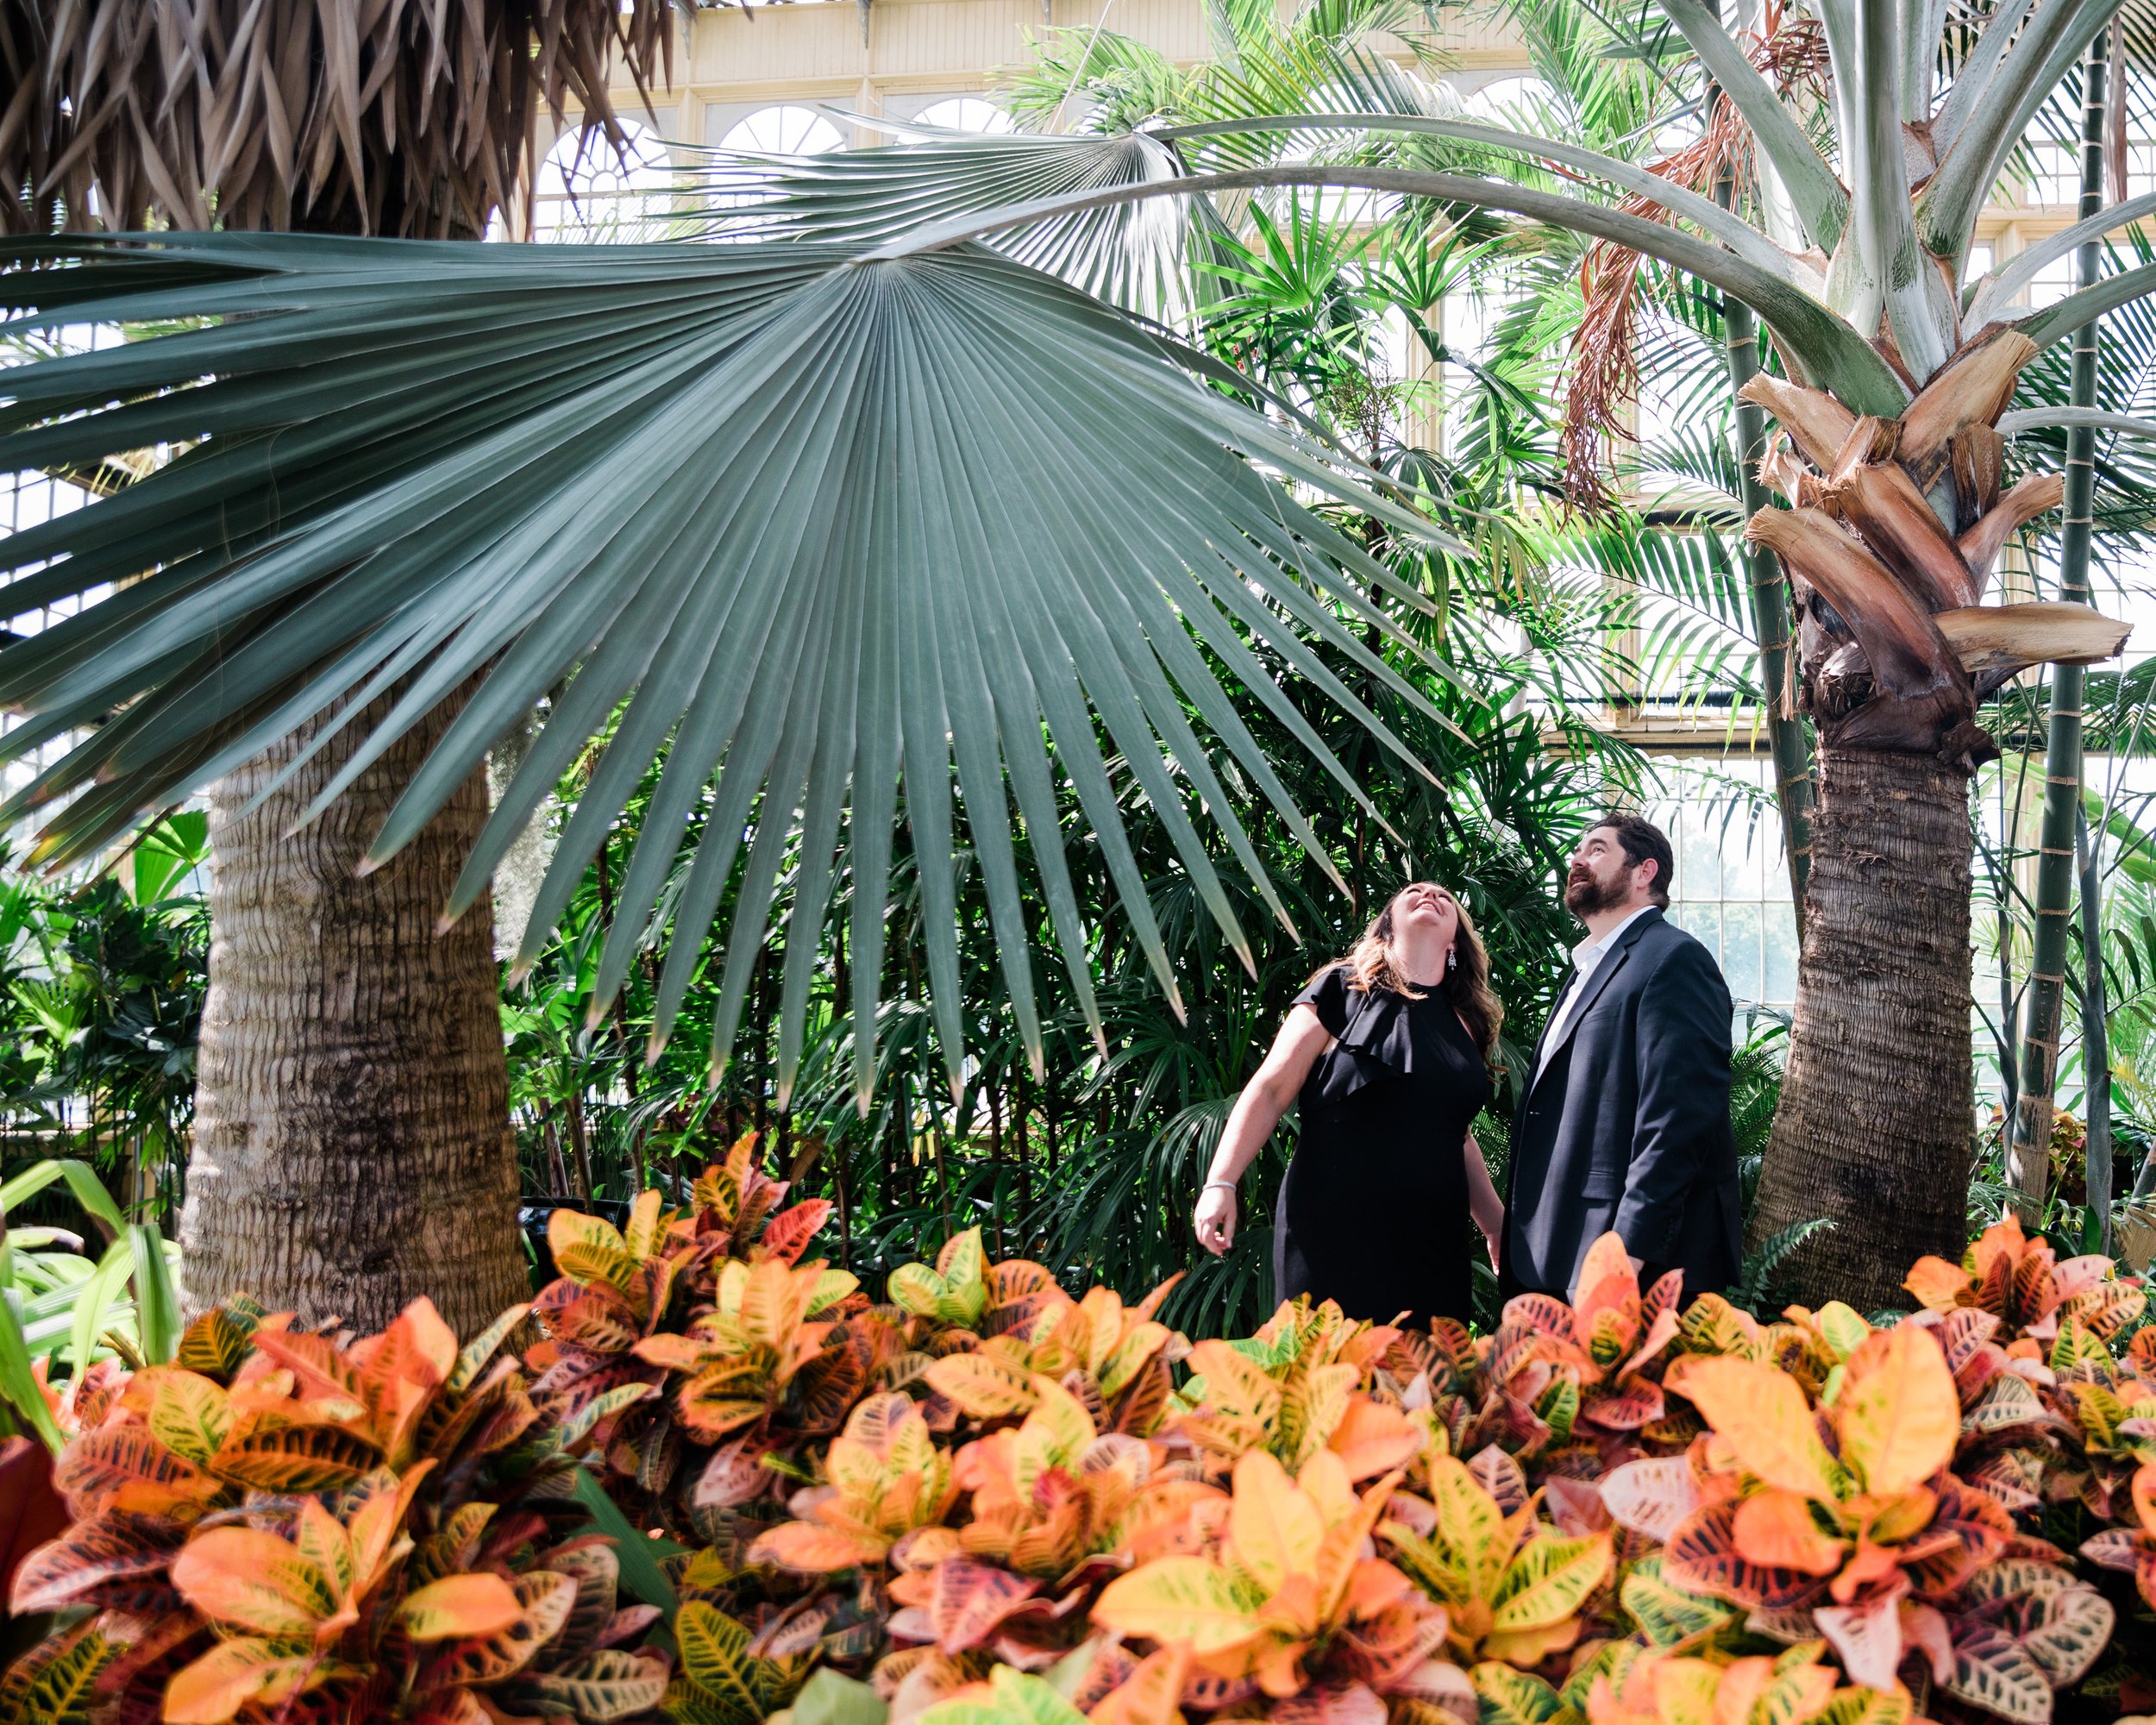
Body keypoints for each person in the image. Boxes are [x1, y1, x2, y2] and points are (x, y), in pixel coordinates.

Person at [1191, 881, 1507, 1327]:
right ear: (1387, 924)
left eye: (1445, 897)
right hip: (1331, 1229)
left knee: (1423, 1388)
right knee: (1324, 1382)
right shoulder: (1341, 989)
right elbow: (1270, 1089)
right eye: (1413, 890)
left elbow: (1456, 1133)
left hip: (1432, 1239)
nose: (1430, 895)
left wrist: (1495, 1226)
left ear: (1454, 939)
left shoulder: (1468, 1023)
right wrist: (1220, 1181)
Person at [1503, 814, 1739, 1303]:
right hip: (1555, 1250)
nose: (1577, 859)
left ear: (1643, 872)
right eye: (1578, 850)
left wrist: (1627, 1254)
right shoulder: (1586, 969)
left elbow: (1678, 1119)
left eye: (1597, 849)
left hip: (1632, 1265)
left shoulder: (1673, 959)